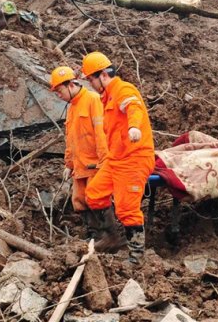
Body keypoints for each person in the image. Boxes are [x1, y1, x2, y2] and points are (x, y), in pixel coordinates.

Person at [82, 52, 155, 264]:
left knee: (127, 208)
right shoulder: (107, 98)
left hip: (134, 159)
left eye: (91, 80)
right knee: (94, 194)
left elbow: (134, 107)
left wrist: (134, 127)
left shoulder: (123, 90)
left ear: (103, 75)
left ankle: (136, 256)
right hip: (116, 159)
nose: (90, 85)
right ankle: (113, 238)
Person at [49, 67, 108, 239]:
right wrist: (69, 164)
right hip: (80, 165)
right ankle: (93, 235)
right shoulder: (72, 108)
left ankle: (108, 237)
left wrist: (105, 161)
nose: (59, 96)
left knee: (97, 199)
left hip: (95, 163)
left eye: (60, 91)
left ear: (71, 85)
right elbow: (71, 139)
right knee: (80, 201)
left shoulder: (93, 100)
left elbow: (101, 134)